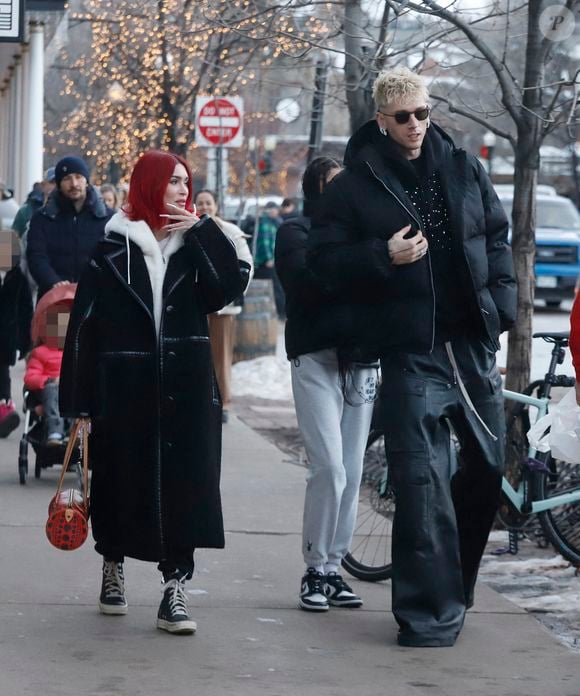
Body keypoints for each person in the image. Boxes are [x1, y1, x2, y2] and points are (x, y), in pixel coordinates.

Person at [308, 66, 516, 647]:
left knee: (489, 467)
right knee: (421, 482)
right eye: (404, 117)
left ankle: (455, 586)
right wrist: (382, 255)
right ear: (382, 119)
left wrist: (500, 309)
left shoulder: (462, 166)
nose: (416, 125)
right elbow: (322, 262)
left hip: (470, 342)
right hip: (410, 348)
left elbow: (496, 236)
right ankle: (426, 615)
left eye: (423, 113)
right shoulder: (354, 185)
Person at [59, 149, 248, 635]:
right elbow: (83, 328)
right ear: (149, 184)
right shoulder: (110, 252)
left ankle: (174, 589)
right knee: (121, 480)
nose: (183, 190)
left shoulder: (196, 245)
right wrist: (78, 403)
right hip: (124, 388)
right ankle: (113, 567)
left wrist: (202, 230)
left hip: (185, 387)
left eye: (187, 182)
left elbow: (226, 289)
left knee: (186, 486)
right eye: (174, 182)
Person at [275, 157, 378, 612]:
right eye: (334, 184)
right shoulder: (296, 231)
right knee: (329, 469)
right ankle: (314, 567)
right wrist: (367, 266)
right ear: (316, 188)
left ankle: (334, 569)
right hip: (315, 357)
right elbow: (306, 285)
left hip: (363, 360)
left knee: (352, 474)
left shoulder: (367, 233)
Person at [194, 189, 254, 424]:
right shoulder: (186, 231)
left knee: (221, 356)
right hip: (197, 305)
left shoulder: (230, 232)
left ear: (216, 205)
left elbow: (245, 264)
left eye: (208, 202)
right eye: (200, 203)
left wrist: (232, 291)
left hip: (223, 309)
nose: (205, 207)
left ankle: (224, 402)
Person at [26, 156, 113, 299]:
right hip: (55, 300)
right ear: (59, 184)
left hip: (95, 300)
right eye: (67, 178)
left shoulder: (107, 219)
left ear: (86, 181)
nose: (74, 184)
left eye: (78, 177)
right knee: (56, 322)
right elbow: (36, 256)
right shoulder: (42, 218)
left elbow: (112, 258)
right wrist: (53, 282)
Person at [24, 284, 75, 445]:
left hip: (70, 389)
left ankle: (75, 433)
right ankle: (55, 430)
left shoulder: (75, 352)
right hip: (49, 390)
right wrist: (49, 380)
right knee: (53, 390)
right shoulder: (40, 353)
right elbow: (30, 378)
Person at [0, 230, 33, 437]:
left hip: (6, 339)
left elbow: (25, 311)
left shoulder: (18, 278)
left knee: (3, 375)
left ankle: (4, 410)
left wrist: (25, 342)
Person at [254, 201, 285, 318]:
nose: (277, 212)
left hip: (270, 261)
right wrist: (268, 259)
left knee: (276, 287)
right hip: (266, 263)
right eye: (275, 210)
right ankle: (281, 313)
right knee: (276, 287)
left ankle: (280, 312)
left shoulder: (272, 221)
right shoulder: (265, 222)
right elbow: (264, 242)